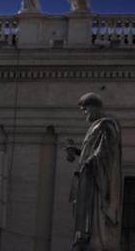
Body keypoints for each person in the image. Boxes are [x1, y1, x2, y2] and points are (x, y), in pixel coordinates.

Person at [64, 93, 122, 251]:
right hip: (90, 176)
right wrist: (77, 152)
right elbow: (92, 151)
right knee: (85, 212)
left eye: (85, 109)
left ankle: (95, 242)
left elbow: (105, 152)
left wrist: (89, 162)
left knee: (95, 214)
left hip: (99, 181)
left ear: (94, 107)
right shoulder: (96, 126)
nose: (84, 113)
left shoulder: (106, 125)